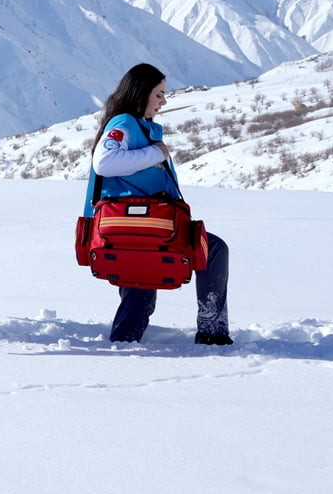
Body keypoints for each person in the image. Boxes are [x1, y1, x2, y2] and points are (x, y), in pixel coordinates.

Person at [83, 63, 233, 345]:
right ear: (141, 93)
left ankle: (123, 345)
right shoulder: (124, 123)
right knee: (212, 250)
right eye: (159, 94)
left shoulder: (135, 125)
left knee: (139, 288)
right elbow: (104, 163)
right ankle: (212, 332)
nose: (163, 102)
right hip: (144, 224)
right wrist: (155, 153)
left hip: (133, 226)